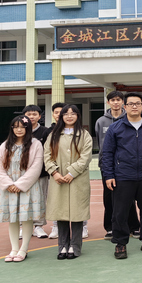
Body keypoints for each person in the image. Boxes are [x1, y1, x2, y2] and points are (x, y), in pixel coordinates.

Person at [100, 92, 142, 260]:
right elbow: (107, 153)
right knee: (120, 212)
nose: (134, 106)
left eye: (137, 103)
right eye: (131, 104)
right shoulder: (116, 127)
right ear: (125, 107)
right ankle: (120, 243)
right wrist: (109, 175)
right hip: (123, 176)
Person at [44, 104, 92, 260]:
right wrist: (54, 172)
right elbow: (47, 155)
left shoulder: (84, 135)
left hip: (77, 179)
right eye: (66, 114)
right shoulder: (53, 135)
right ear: (61, 117)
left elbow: (86, 157)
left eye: (73, 113)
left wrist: (72, 172)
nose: (69, 116)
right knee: (61, 212)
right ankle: (62, 246)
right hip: (58, 179)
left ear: (78, 116)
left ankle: (75, 246)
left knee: (77, 213)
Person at [0, 116, 44, 262]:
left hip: (27, 187)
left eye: (22, 127)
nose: (19, 130)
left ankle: (24, 249)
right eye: (15, 127)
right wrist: (8, 184)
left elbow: (36, 167)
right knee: (13, 218)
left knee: (26, 217)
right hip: (9, 188)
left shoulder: (35, 144)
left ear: (28, 128)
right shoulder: (5, 145)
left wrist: (20, 185)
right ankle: (14, 248)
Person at [94, 91, 140, 240]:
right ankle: (110, 227)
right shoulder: (101, 121)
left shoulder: (129, 119)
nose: (116, 102)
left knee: (129, 196)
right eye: (112, 100)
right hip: (107, 165)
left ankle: (133, 226)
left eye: (118, 100)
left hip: (126, 165)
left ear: (123, 103)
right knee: (109, 197)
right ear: (108, 102)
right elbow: (101, 143)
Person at [22, 105, 51, 239]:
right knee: (23, 200)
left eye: (34, 114)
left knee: (40, 200)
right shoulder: (20, 130)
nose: (31, 117)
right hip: (23, 174)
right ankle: (23, 226)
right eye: (29, 114)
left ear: (39, 116)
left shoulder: (45, 132)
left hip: (41, 173)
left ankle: (39, 226)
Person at [45, 102, 65, 239]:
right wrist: (53, 171)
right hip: (55, 172)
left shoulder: (77, 131)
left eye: (62, 112)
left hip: (72, 172)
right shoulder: (48, 132)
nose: (59, 115)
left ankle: (82, 225)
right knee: (56, 200)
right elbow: (46, 154)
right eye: (56, 112)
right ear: (53, 114)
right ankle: (56, 226)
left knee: (77, 200)